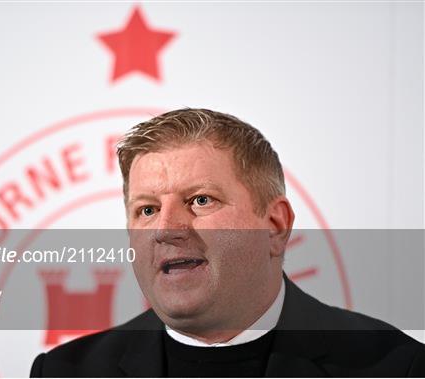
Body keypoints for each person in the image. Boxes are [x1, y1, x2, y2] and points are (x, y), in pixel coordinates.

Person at [31, 108, 424, 377]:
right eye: (147, 209)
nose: (166, 228)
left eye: (200, 200)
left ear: (274, 224)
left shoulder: (394, 367)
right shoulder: (66, 372)